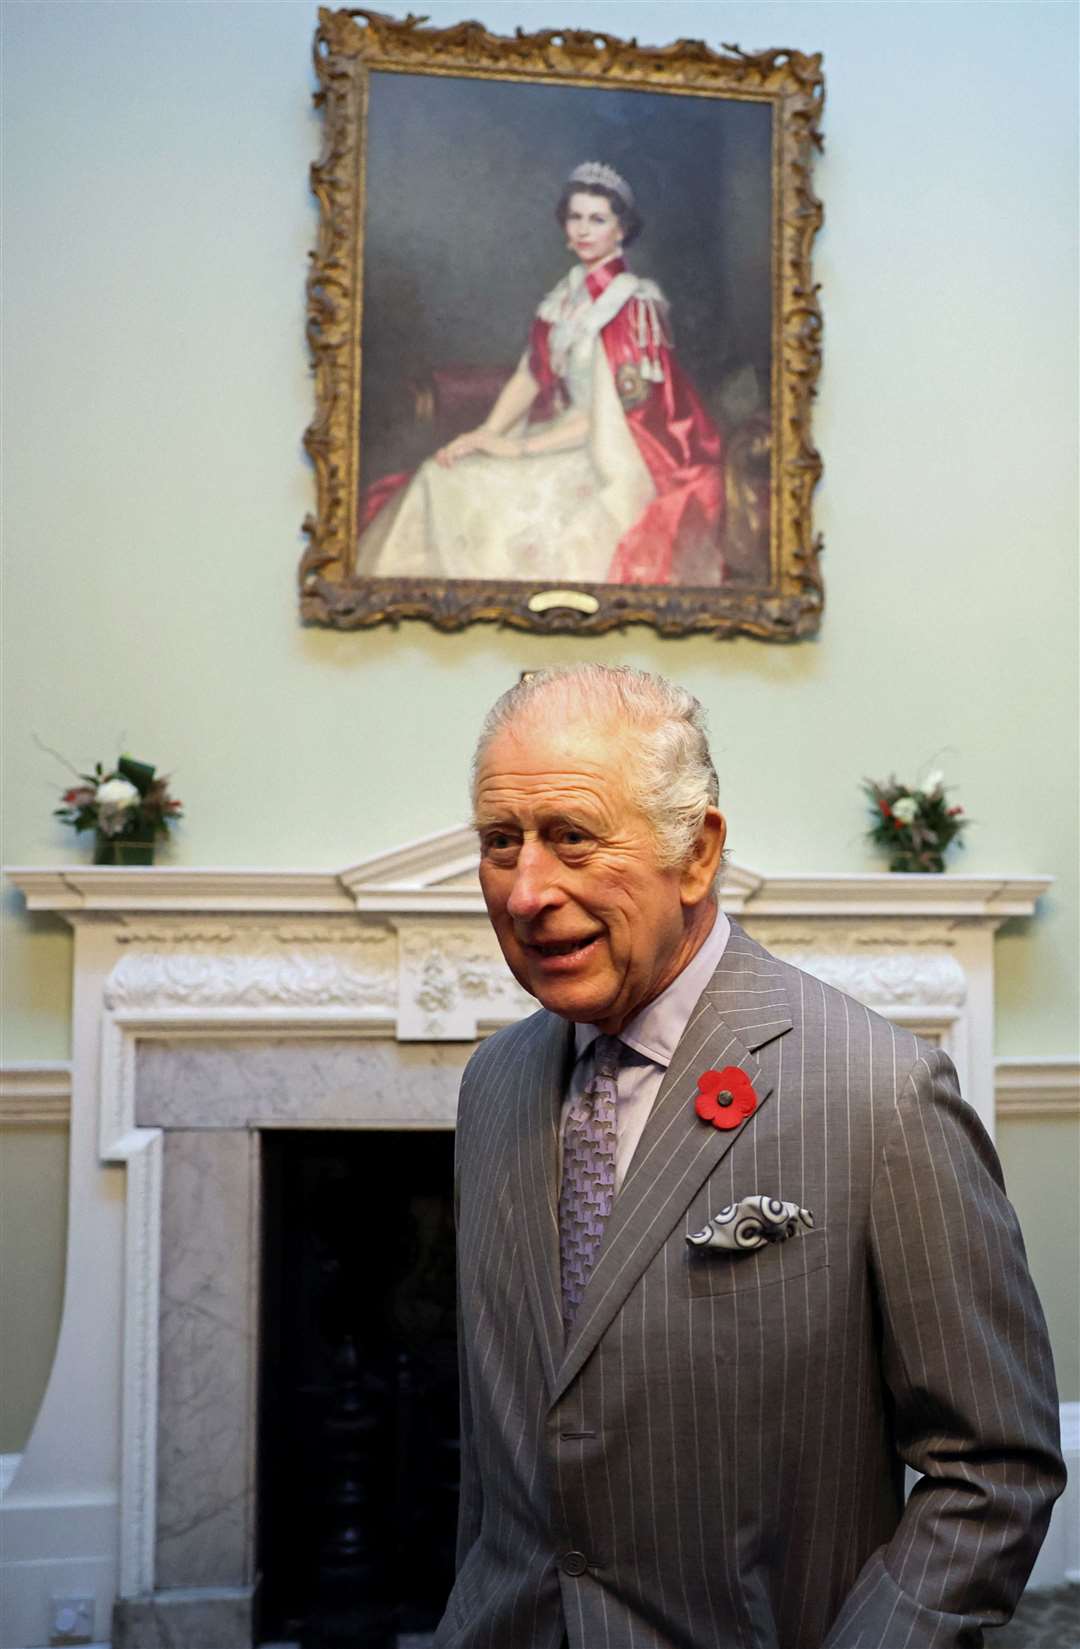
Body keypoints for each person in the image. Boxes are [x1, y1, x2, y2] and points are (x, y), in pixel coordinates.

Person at [436, 664, 1065, 1649]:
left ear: (697, 852)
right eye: (499, 842)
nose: (526, 891)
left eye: (572, 837)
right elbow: (509, 1440)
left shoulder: (880, 1093)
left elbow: (992, 1468)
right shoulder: (494, 1085)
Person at [354, 163, 726, 587]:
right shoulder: (564, 299)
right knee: (441, 474)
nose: (584, 230)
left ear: (621, 230)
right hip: (562, 431)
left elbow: (615, 420)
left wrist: (518, 449)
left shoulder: (628, 306)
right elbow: (530, 375)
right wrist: (485, 433)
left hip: (612, 454)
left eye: (598, 219)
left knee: (517, 518)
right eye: (576, 217)